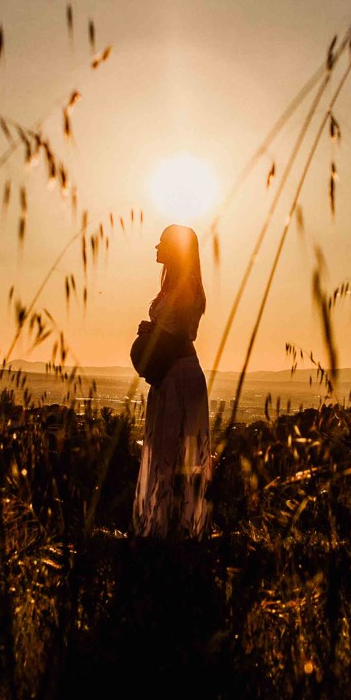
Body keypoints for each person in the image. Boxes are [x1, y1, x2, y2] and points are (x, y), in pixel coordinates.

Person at [134, 224, 212, 538]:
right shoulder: (173, 286)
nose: (156, 246)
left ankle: (178, 529)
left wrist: (149, 333)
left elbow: (175, 333)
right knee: (164, 449)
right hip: (169, 375)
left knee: (177, 452)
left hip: (180, 376)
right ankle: (160, 525)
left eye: (162, 241)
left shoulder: (187, 286)